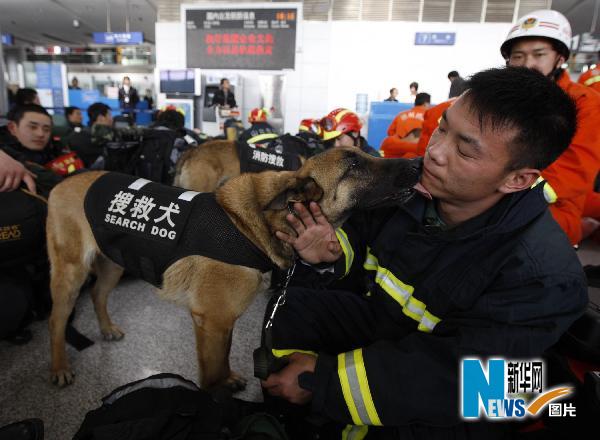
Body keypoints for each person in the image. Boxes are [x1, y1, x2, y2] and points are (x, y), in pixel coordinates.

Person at [261, 66, 587, 439]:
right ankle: (285, 415)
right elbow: (358, 236)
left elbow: (462, 381)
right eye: (442, 128)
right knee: (291, 307)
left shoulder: (543, 277)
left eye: (464, 149)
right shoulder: (410, 187)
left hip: (469, 396)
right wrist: (332, 254)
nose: (434, 152)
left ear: (517, 179)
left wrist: (323, 381)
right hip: (390, 328)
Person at [501, 9, 600, 246]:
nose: (527, 64)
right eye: (518, 56)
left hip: (552, 208)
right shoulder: (500, 100)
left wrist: (504, 192)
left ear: (560, 58)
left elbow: (574, 167)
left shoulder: (585, 102)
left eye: (539, 54)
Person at [380, 92, 431, 158]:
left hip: (395, 155)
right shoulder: (430, 117)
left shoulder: (401, 115)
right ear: (426, 104)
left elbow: (390, 132)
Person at [66, 102, 114, 168]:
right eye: (109, 115)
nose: (112, 119)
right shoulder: (81, 136)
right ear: (101, 117)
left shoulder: (83, 133)